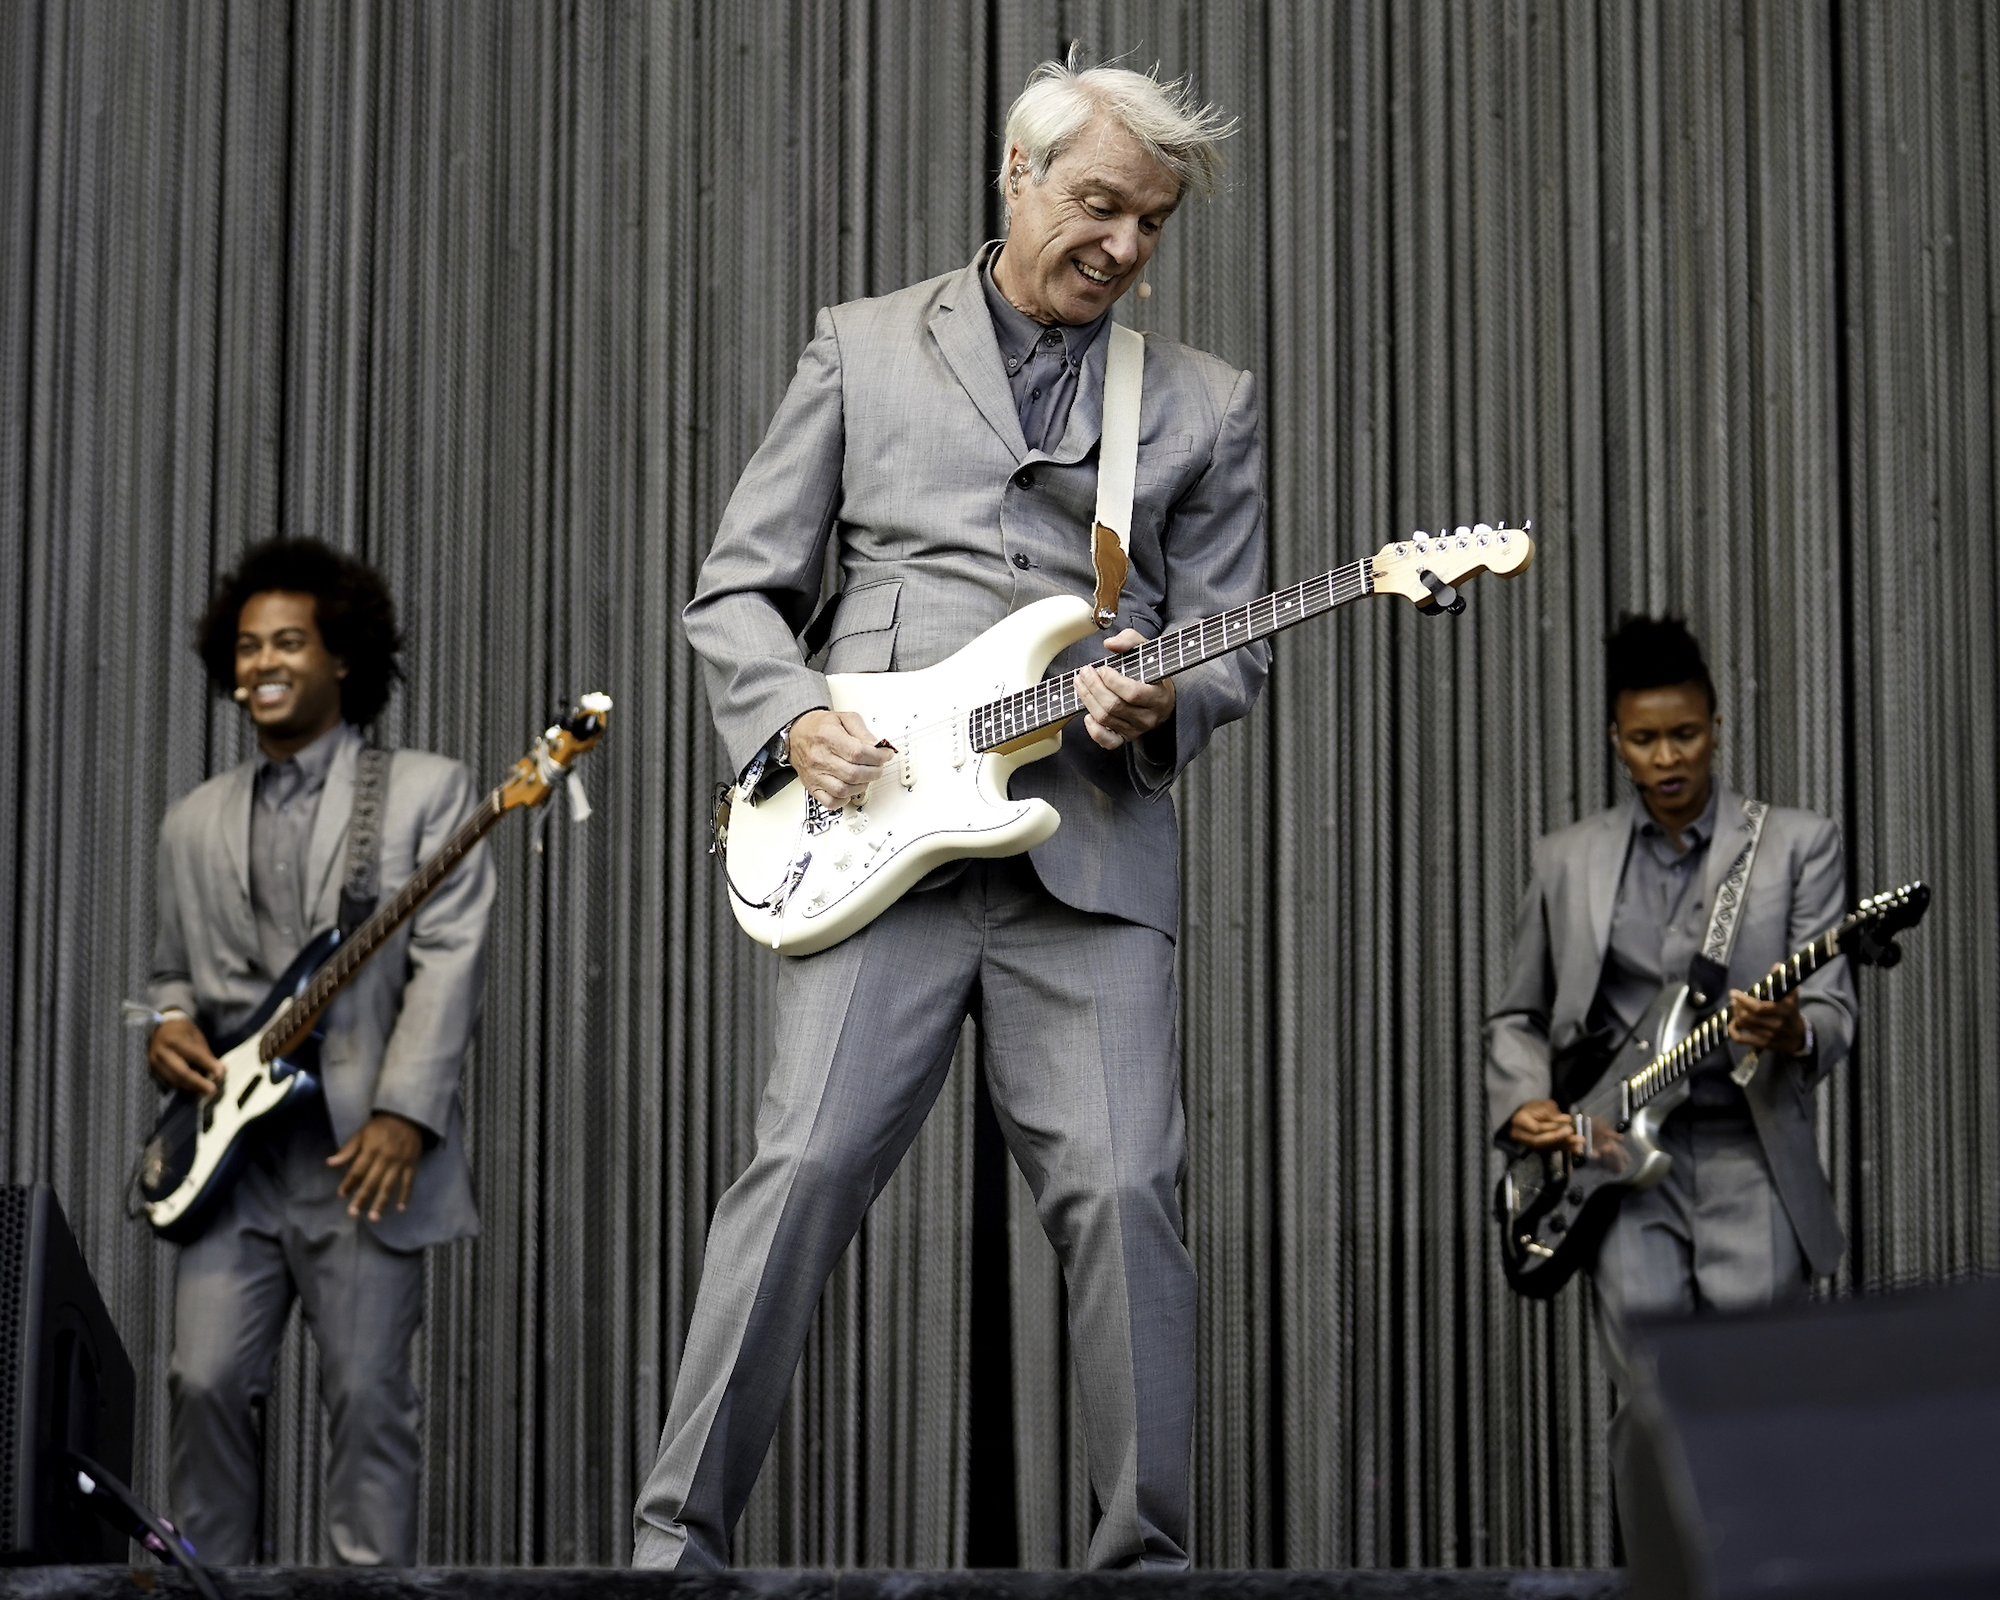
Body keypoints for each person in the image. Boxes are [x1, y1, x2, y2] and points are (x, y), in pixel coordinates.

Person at [633, 54, 1267, 1570]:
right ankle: (673, 1548)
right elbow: (737, 593)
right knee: (796, 1181)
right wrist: (797, 715)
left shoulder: (1202, 403)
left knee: (1127, 1198)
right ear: (1017, 173)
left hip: (1090, 851)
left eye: (1152, 223)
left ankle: (1146, 1562)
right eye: (1098, 204)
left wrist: (1162, 692)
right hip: (876, 850)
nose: (1122, 245)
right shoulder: (861, 347)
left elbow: (1229, 636)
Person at [146, 539, 495, 1565]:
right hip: (230, 1167)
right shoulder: (188, 822)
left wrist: (404, 1112)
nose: (263, 662)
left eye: (288, 642)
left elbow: (450, 957)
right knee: (200, 1383)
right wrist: (165, 1023)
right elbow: (172, 974)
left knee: (369, 1406)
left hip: (360, 1161)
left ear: (341, 656)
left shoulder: (430, 792)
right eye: (248, 645)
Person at [1485, 614, 1856, 1539]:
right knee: (1648, 1402)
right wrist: (1523, 1101)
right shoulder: (1564, 861)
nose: (1667, 757)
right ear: (1617, 741)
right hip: (1613, 1165)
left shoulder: (1797, 845)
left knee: (1754, 1393)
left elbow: (1834, 1014)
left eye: (1684, 733)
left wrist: (1792, 1033)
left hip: (1749, 1155)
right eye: (1645, 739)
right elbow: (1517, 1015)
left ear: (1717, 727)